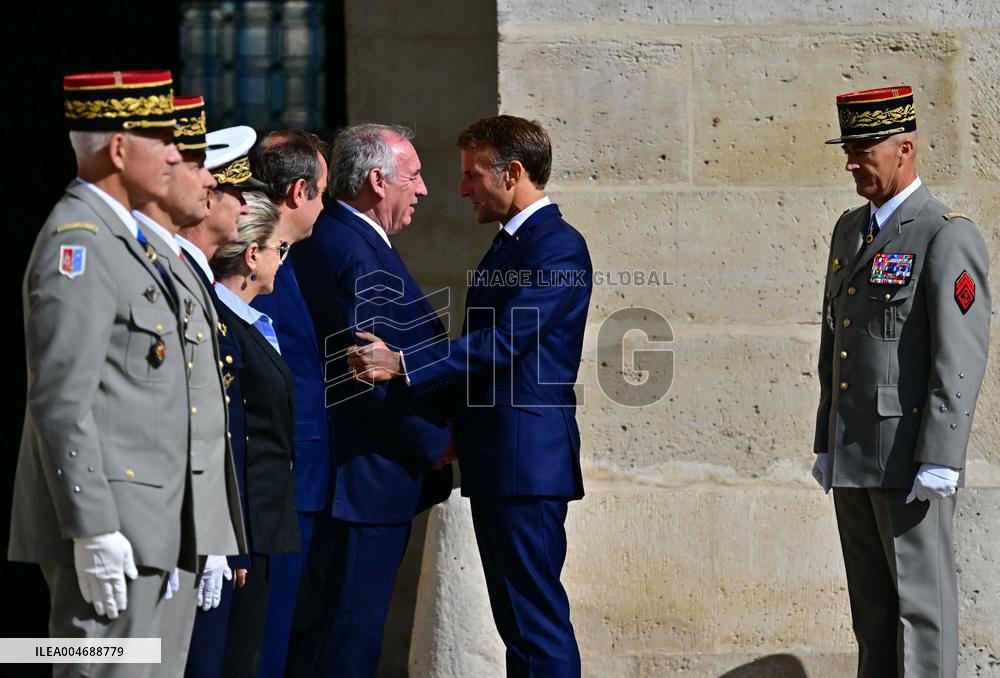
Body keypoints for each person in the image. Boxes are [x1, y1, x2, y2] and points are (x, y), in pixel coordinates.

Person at [348, 115, 593, 676]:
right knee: (519, 625)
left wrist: (403, 363)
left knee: (535, 625)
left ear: (512, 173)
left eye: (472, 175)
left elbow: (505, 343)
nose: (461, 189)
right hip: (499, 458)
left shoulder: (556, 245)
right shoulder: (517, 241)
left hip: (523, 461)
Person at [8, 70, 195, 676]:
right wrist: (92, 529)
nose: (175, 153)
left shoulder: (127, 239)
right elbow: (62, 401)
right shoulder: (81, 241)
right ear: (119, 149)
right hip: (113, 524)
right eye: (161, 139)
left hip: (148, 522)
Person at [811, 86, 990, 677]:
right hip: (855, 452)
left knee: (922, 612)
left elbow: (958, 357)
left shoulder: (944, 233)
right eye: (849, 148)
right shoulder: (848, 230)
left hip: (910, 458)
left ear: (904, 148)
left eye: (864, 148)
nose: (851, 160)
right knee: (873, 615)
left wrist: (942, 456)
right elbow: (835, 344)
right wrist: (825, 441)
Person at [289, 123, 453, 677]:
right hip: (362, 480)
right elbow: (366, 371)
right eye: (415, 176)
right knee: (348, 637)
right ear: (379, 182)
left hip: (353, 478)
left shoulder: (339, 236)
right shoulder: (354, 252)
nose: (424, 190)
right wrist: (439, 441)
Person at [132, 95, 249, 668]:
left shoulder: (176, 267)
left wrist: (212, 528)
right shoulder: (112, 252)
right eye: (194, 164)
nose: (208, 181)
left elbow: (203, 411)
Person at [177, 124, 268, 678]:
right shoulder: (173, 271)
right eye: (236, 193)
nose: (242, 207)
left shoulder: (191, 277)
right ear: (208, 196)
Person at [246, 129, 332, 677]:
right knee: (262, 645)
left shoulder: (291, 260)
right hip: (277, 486)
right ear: (298, 192)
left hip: (299, 483)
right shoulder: (255, 264)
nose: (326, 207)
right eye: (322, 193)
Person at [211, 191, 301, 678]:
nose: (280, 262)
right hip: (243, 529)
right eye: (278, 250)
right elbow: (229, 439)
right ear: (252, 256)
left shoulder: (251, 320)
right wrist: (235, 541)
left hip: (263, 523)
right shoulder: (224, 323)